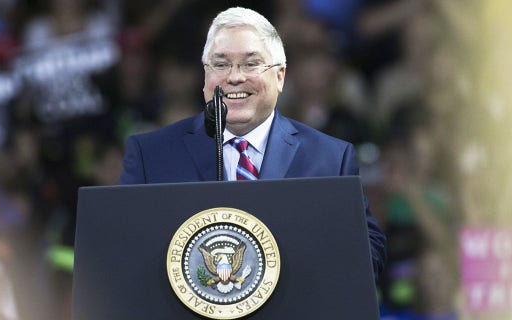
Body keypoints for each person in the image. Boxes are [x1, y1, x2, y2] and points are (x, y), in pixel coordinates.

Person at [119, 7, 386, 279]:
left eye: (250, 64)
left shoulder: (329, 157)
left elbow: (369, 255)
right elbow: (123, 250)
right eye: (221, 64)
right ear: (205, 77)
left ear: (280, 76)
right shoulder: (151, 154)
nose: (235, 77)